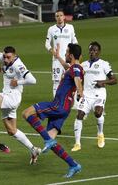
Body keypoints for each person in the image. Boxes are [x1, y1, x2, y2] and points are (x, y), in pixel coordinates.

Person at [22, 43, 83, 178]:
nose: (65, 54)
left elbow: (77, 78)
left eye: (66, 53)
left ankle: (47, 140)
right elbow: (69, 69)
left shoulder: (77, 68)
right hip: (64, 108)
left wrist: (80, 92)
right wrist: (58, 57)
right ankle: (73, 165)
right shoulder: (73, 68)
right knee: (51, 140)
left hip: (58, 105)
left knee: (26, 113)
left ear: (71, 55)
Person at [72, 42, 117, 151]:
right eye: (91, 50)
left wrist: (103, 82)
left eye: (95, 50)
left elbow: (114, 80)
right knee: (79, 115)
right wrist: (78, 92)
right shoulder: (84, 65)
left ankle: (100, 134)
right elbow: (79, 80)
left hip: (99, 94)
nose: (92, 52)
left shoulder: (104, 64)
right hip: (86, 95)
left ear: (99, 52)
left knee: (98, 113)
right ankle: (77, 144)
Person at [45, 10, 78, 97]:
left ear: (64, 17)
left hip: (69, 59)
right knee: (56, 80)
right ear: (55, 18)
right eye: (57, 16)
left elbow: (74, 41)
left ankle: (72, 101)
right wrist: (53, 52)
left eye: (61, 15)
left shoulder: (70, 27)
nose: (59, 17)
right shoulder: (51, 29)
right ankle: (55, 100)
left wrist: (75, 53)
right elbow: (47, 44)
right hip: (57, 59)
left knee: (73, 78)